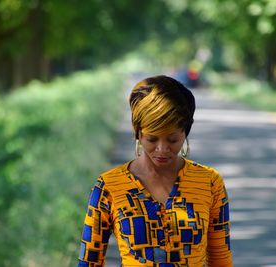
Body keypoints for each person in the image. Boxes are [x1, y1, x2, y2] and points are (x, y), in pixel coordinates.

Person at [78, 75, 233, 267]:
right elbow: (89, 262)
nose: (162, 149)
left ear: (185, 132)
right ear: (138, 133)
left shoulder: (210, 182)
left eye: (172, 140)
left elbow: (221, 261)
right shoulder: (108, 186)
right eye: (152, 139)